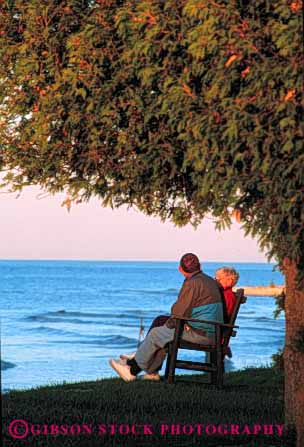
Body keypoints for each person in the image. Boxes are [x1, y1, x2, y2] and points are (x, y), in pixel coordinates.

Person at [109, 253, 224, 382]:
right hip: (212, 331)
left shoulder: (193, 283)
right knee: (162, 328)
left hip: (202, 334)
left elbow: (178, 311)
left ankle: (131, 369)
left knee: (156, 334)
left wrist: (172, 323)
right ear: (200, 266)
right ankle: (150, 372)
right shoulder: (208, 280)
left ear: (180, 269)